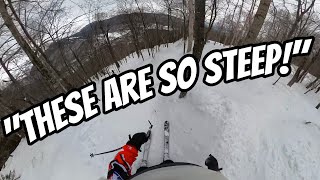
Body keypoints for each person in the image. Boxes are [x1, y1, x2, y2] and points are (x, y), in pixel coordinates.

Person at [106, 132, 227, 180]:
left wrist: (132, 147)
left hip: (145, 176)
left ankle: (143, 169)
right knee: (166, 165)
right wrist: (214, 174)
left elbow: (116, 169)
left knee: (142, 170)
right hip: (182, 172)